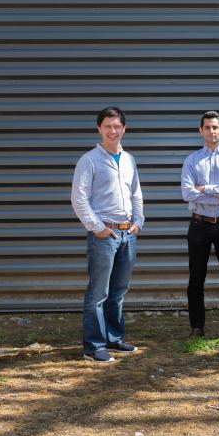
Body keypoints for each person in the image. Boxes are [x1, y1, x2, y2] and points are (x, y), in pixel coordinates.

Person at [71, 106, 144, 363]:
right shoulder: (89, 160)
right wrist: (97, 227)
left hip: (128, 234)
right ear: (99, 129)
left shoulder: (128, 159)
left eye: (117, 126)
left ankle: (114, 338)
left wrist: (138, 221)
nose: (113, 130)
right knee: (98, 291)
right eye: (107, 126)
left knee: (119, 290)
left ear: (124, 129)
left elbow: (135, 192)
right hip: (105, 235)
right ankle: (93, 346)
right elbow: (79, 198)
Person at [180, 111, 219, 340]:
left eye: (215, 127)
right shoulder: (191, 160)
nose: (212, 131)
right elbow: (187, 193)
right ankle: (197, 327)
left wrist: (204, 189)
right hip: (199, 225)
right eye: (207, 127)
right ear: (201, 131)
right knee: (196, 278)